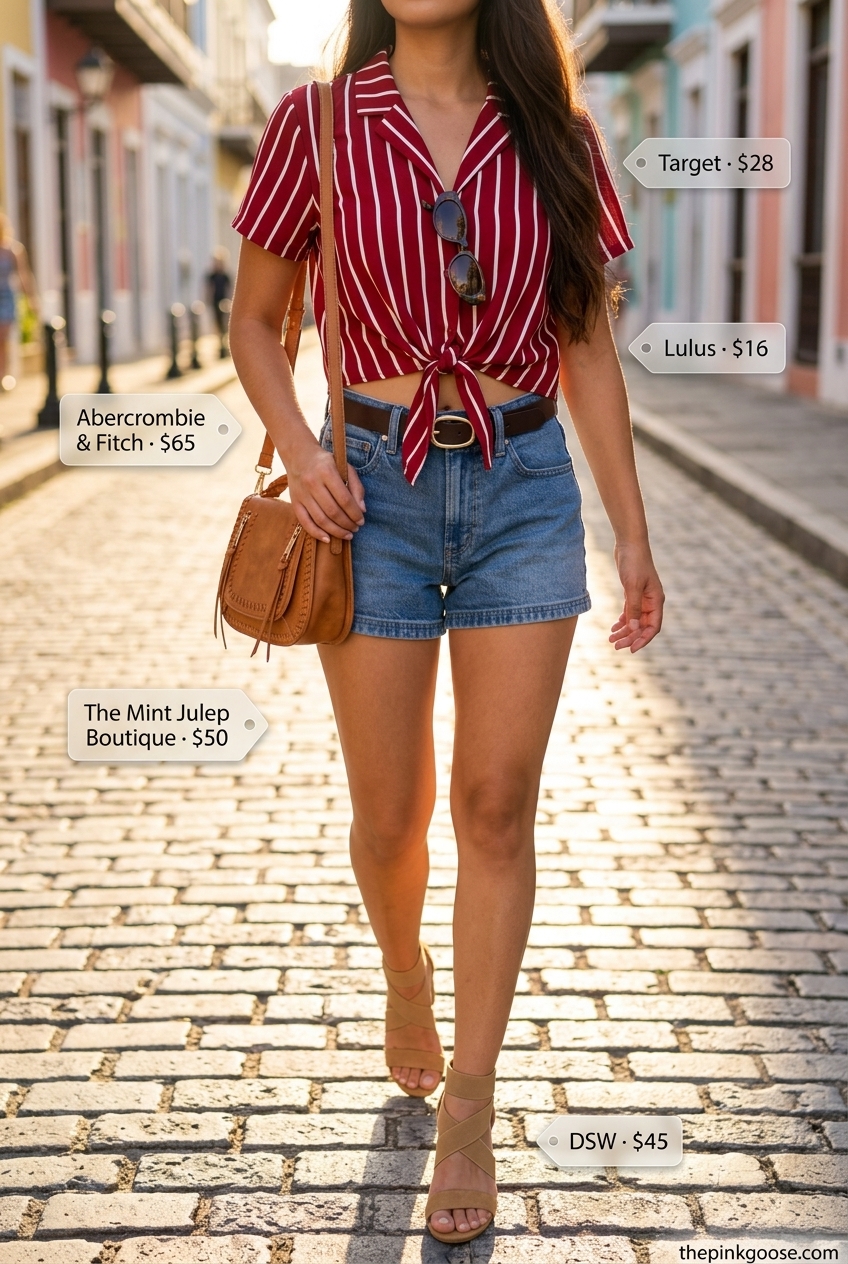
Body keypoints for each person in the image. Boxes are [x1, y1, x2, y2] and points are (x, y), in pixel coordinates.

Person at [228, 0, 664, 1243]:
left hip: (524, 488)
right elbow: (256, 321)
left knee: (493, 802)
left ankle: (469, 1098)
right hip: (366, 494)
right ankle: (404, 970)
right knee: (388, 815)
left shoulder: (556, 138)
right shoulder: (311, 125)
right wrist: (303, 449)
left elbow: (582, 341)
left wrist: (627, 530)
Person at [0, 212, 38, 391]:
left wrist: (31, 298)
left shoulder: (13, 250)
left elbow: (23, 275)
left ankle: (3, 375)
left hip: (6, 297)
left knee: (4, 338)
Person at [205, 248, 232, 358]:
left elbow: (229, 289)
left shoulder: (225, 276)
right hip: (215, 302)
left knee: (225, 323)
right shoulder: (211, 276)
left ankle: (224, 344)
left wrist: (230, 301)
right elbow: (209, 289)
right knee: (217, 323)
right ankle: (219, 344)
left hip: (224, 302)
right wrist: (208, 300)